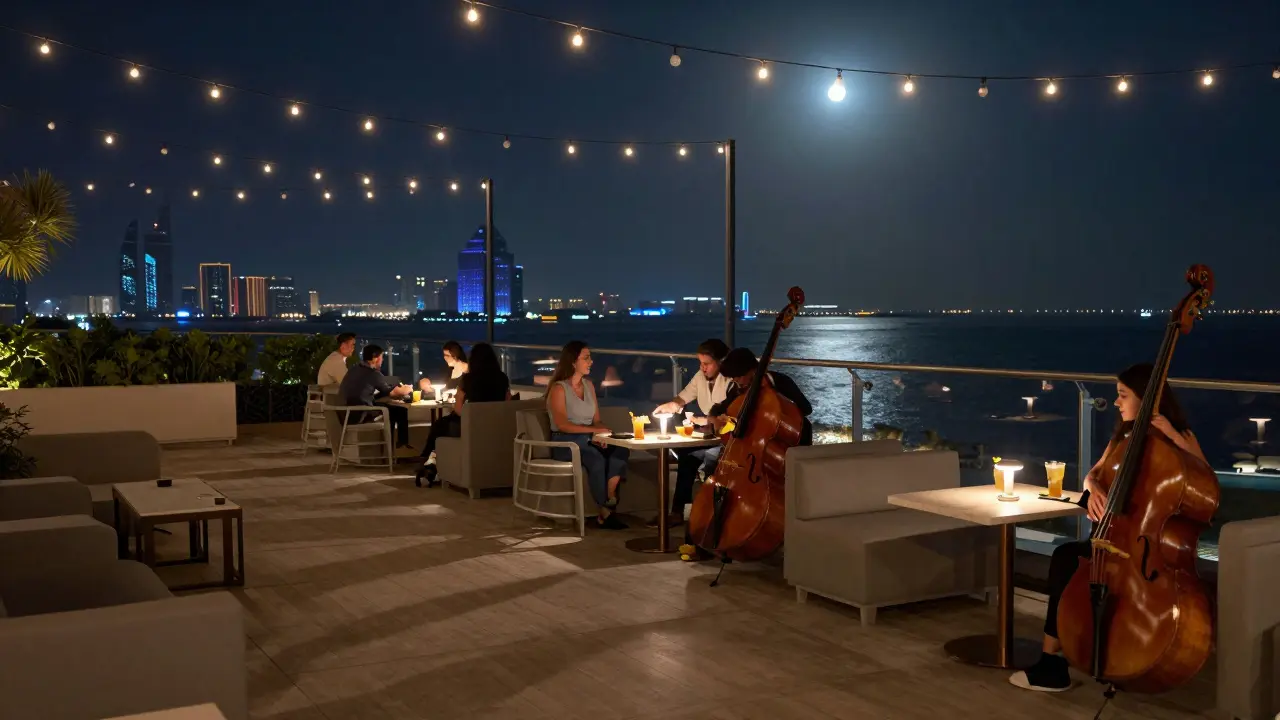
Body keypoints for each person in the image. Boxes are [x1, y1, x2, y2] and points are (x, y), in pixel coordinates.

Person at [1009, 362, 1206, 693]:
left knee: (1070, 562)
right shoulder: (1124, 436)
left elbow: (1204, 476)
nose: (1116, 402)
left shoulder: (1182, 439)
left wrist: (1171, 434)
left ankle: (1103, 657)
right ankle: (1052, 662)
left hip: (1145, 554)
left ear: (1146, 399)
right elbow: (1093, 473)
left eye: (1123, 395)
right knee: (1065, 558)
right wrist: (1094, 488)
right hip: (1112, 542)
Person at [546, 341, 630, 530]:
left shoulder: (589, 385)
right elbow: (563, 425)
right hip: (564, 441)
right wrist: (593, 433)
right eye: (586, 358)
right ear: (573, 362)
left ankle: (609, 496)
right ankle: (605, 512)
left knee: (621, 449)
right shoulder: (559, 389)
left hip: (588, 437)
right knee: (595, 457)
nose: (591, 362)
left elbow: (596, 421)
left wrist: (604, 433)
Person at [651, 338, 731, 528]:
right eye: (700, 363)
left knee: (710, 458)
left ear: (721, 362)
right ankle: (678, 512)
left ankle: (711, 514)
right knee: (687, 456)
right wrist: (671, 405)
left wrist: (708, 423)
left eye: (707, 364)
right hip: (711, 438)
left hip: (728, 440)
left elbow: (730, 417)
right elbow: (683, 397)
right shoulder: (700, 377)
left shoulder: (730, 382)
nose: (703, 368)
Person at [416, 342, 512, 487]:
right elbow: (507, 403)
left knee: (439, 425)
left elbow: (459, 408)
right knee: (442, 424)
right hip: (495, 427)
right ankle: (430, 461)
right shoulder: (502, 378)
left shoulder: (468, 379)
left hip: (471, 427)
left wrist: (467, 414)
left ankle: (426, 459)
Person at [708, 348, 814, 447]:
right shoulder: (736, 388)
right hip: (755, 445)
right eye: (733, 377)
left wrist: (778, 417)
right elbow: (720, 408)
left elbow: (806, 408)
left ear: (753, 370)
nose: (736, 381)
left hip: (791, 442)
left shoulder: (779, 381)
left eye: (739, 376)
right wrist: (715, 419)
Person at [338, 344, 414, 447]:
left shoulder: (354, 369)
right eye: (381, 357)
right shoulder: (373, 373)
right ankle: (395, 446)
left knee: (390, 408)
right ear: (375, 358)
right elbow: (393, 393)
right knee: (398, 411)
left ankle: (394, 445)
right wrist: (407, 389)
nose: (382, 360)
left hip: (344, 413)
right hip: (359, 413)